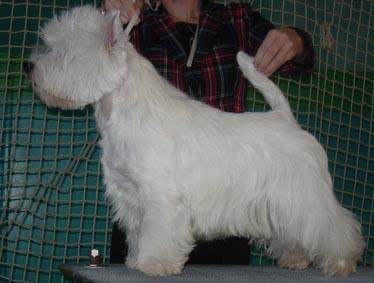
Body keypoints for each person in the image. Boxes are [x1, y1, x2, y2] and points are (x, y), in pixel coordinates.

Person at [103, 0, 314, 265]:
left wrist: (295, 40)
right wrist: (109, 15)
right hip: (150, 211)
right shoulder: (134, 21)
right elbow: (95, 53)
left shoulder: (236, 18)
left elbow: (299, 62)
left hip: (225, 218)